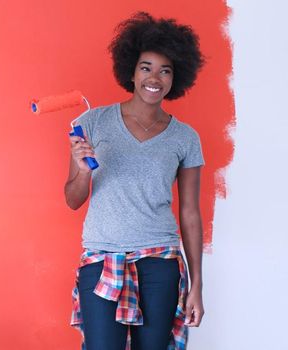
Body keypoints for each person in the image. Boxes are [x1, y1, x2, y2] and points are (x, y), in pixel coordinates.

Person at [65, 12, 205, 350]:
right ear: (131, 70)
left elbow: (189, 213)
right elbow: (72, 198)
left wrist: (197, 285)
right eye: (146, 67)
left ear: (176, 78)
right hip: (102, 262)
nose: (154, 77)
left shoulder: (185, 138)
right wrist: (83, 169)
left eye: (165, 70)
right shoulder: (92, 122)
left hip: (160, 264)